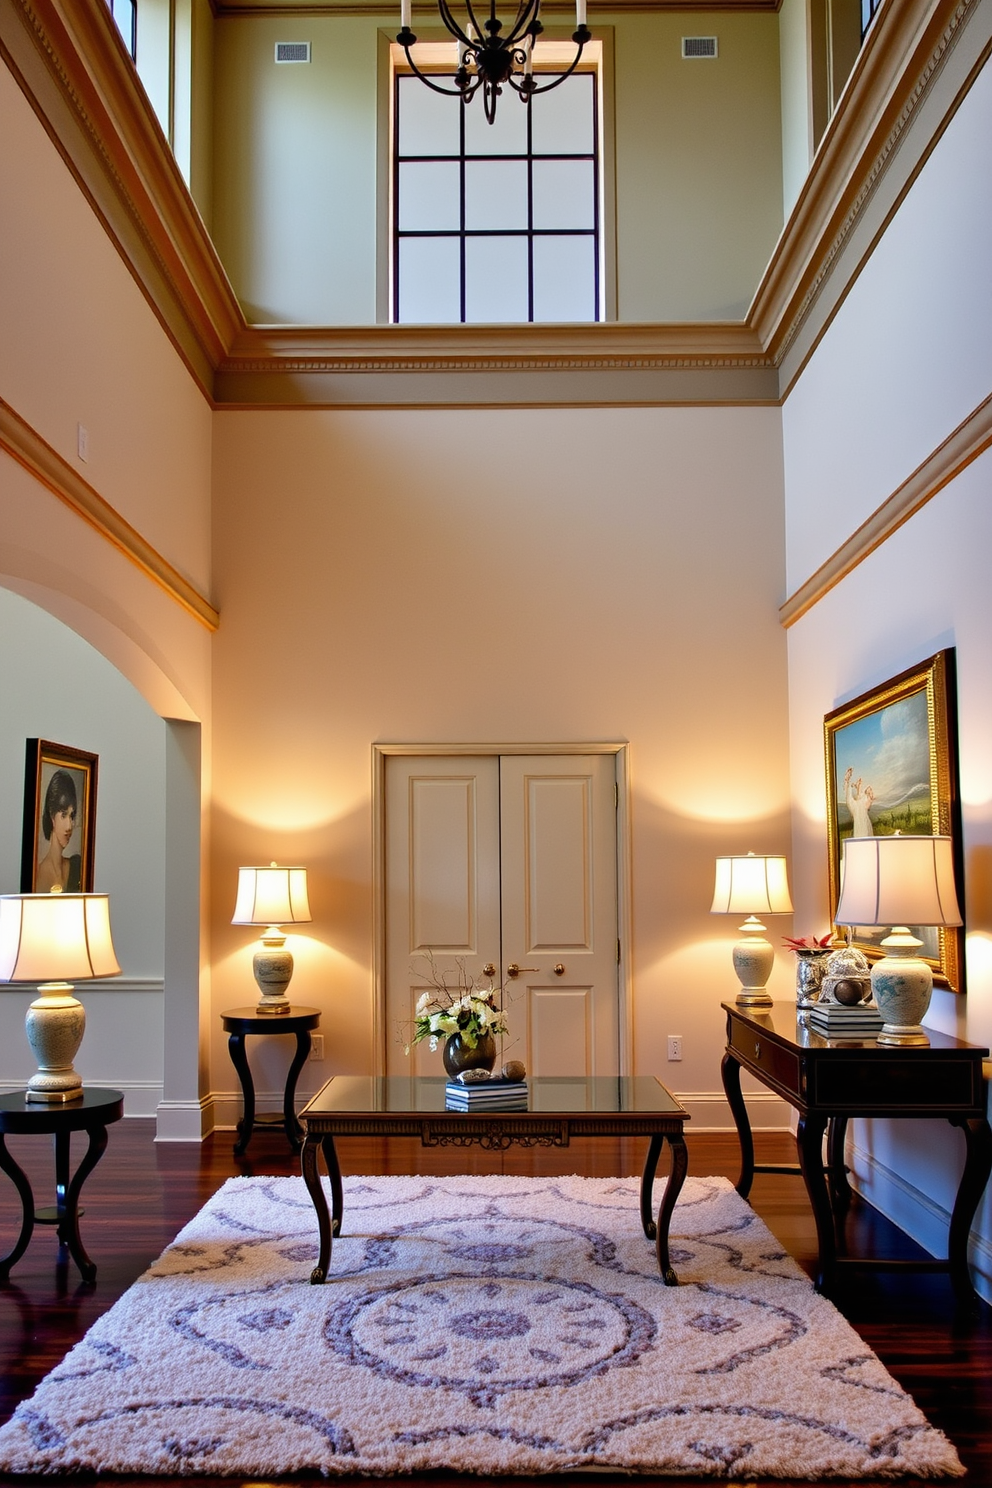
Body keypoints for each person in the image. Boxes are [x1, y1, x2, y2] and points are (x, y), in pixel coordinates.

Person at [36, 769, 82, 892]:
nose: (69, 826)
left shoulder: (77, 866)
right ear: (52, 816)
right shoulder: (37, 876)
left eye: (71, 816)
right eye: (63, 815)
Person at [843, 766, 875, 837]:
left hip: (860, 810)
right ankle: (847, 779)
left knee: (862, 825)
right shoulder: (857, 799)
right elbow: (851, 797)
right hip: (856, 806)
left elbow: (864, 801)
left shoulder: (864, 799)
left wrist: (859, 786)